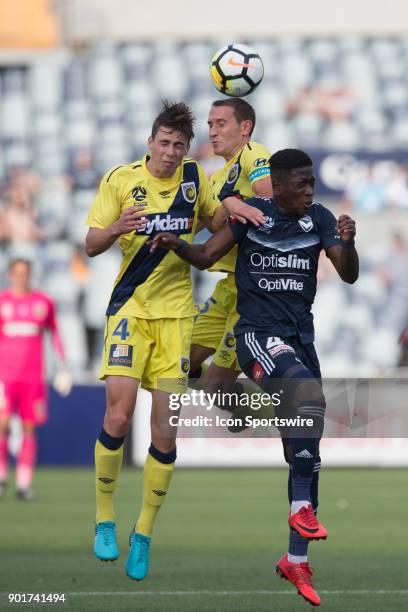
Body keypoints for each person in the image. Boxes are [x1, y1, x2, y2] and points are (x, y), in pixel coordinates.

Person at [150, 148, 359, 606]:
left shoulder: (319, 218)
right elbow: (205, 255)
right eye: (301, 184)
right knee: (308, 398)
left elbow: (347, 275)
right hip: (256, 336)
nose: (310, 190)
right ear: (278, 186)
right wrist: (174, 243)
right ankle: (302, 512)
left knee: (305, 448)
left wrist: (348, 242)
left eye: (312, 182)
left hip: (300, 340)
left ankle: (295, 559)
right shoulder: (252, 216)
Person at [85, 101, 261, 581]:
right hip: (129, 310)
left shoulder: (192, 178)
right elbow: (90, 243)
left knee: (165, 432)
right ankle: (104, 519)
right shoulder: (120, 180)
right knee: (118, 415)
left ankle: (142, 533)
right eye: (162, 143)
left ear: (186, 148)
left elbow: (215, 225)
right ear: (150, 142)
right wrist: (118, 227)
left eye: (178, 145)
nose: (168, 152)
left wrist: (233, 204)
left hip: (178, 318)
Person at [190, 99, 272, 426]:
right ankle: (245, 406)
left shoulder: (253, 154)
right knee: (180, 364)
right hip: (228, 286)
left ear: (245, 128)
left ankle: (291, 415)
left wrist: (231, 203)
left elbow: (269, 199)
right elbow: (203, 223)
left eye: (221, 123)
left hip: (252, 289)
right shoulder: (217, 177)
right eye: (210, 124)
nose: (212, 131)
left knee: (215, 387)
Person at [0, 259, 70, 500]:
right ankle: (1, 477)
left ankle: (23, 483)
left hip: (33, 377)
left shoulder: (43, 302)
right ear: (10, 275)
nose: (21, 277)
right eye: (17, 273)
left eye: (25, 273)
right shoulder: (2, 302)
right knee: (3, 425)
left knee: (30, 428)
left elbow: (55, 333)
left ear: (30, 275)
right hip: (5, 377)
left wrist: (62, 367)